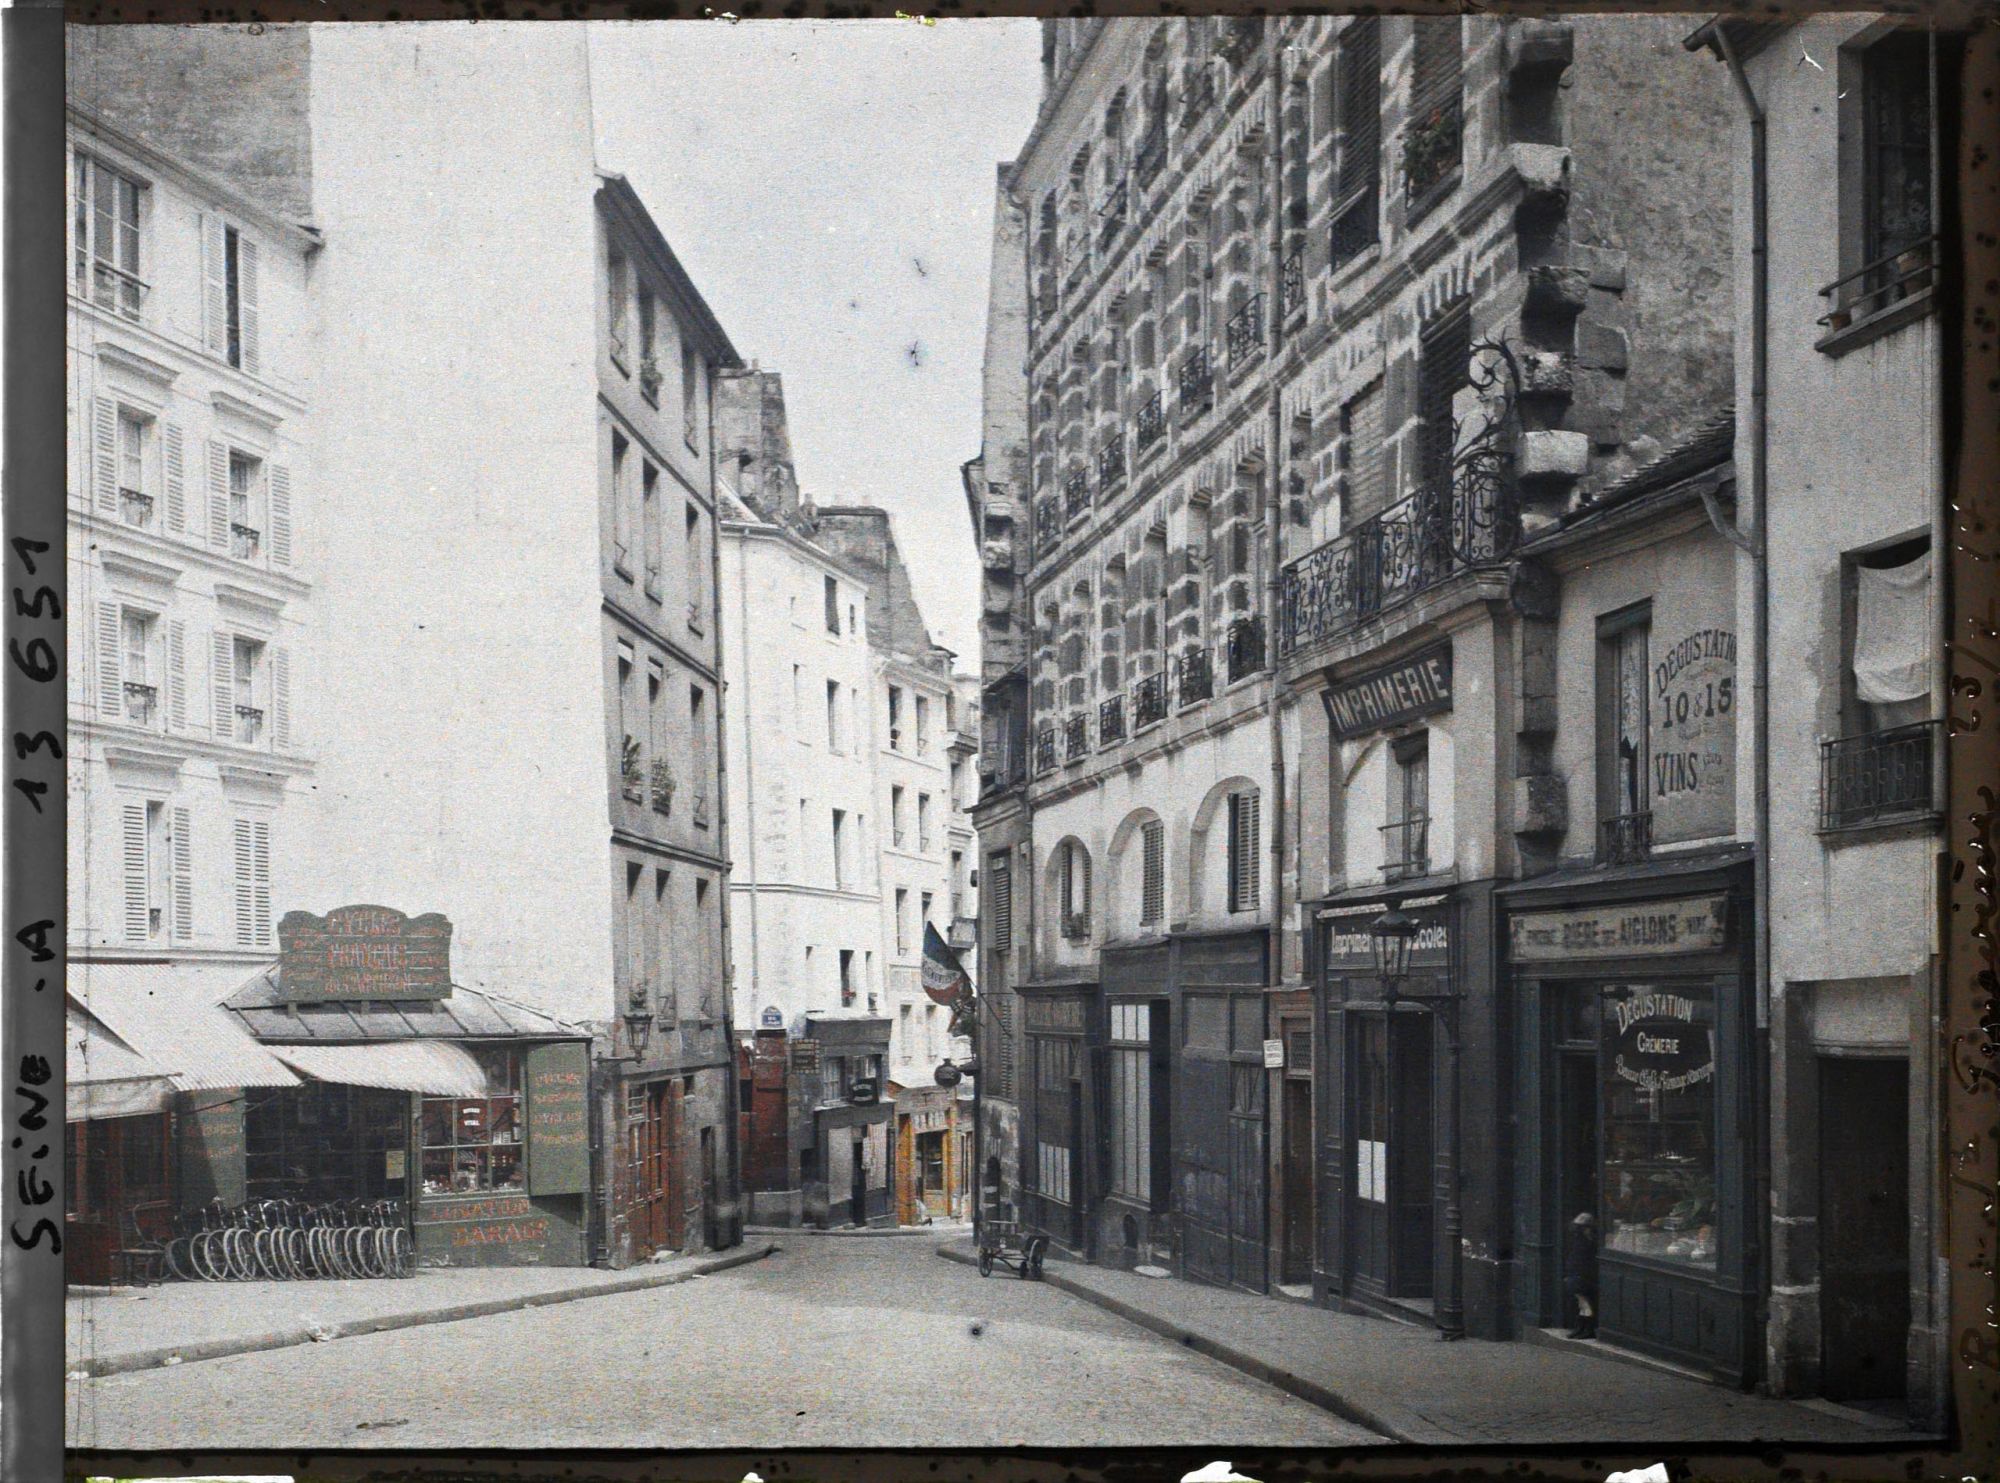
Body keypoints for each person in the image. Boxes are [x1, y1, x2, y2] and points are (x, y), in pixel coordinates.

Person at [1565, 1210, 1599, 1339]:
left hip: (1582, 1275)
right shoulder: (1582, 1241)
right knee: (1582, 1303)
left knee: (1584, 1303)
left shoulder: (1586, 1242)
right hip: (1578, 1273)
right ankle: (1582, 1327)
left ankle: (1586, 1328)